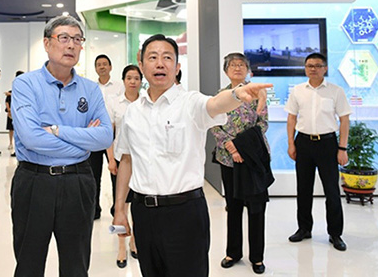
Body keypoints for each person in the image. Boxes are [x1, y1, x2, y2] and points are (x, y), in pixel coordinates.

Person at [113, 34, 271, 277]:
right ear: (142, 65)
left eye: (167, 58)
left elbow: (215, 105)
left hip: (184, 212)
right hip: (143, 213)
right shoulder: (132, 113)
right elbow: (126, 160)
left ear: (177, 67)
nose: (160, 63)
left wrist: (237, 94)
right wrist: (119, 209)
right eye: (152, 57)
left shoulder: (191, 102)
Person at [10, 15, 113, 277]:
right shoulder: (25, 84)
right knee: (29, 263)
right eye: (64, 38)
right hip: (34, 180)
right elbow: (31, 138)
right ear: (47, 43)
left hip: (78, 181)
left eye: (77, 39)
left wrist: (58, 130)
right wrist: (83, 145)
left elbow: (104, 137)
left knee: (76, 264)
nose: (71, 45)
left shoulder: (90, 89)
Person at [210, 53, 271, 274]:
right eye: (233, 65)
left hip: (253, 158)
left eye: (241, 65)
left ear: (247, 69)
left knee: (256, 208)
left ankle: (257, 257)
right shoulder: (219, 96)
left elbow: (262, 124)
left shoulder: (258, 93)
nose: (237, 68)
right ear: (226, 70)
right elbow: (214, 124)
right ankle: (233, 253)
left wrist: (241, 147)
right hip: (229, 159)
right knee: (233, 207)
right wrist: (232, 148)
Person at [286, 52, 351, 252]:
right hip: (304, 143)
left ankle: (335, 234)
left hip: (328, 144)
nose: (313, 69)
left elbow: (344, 120)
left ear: (325, 68)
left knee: (332, 190)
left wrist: (342, 148)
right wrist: (291, 144)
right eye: (309, 66)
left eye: (317, 65)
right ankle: (304, 229)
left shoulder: (336, 91)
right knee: (303, 189)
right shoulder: (298, 91)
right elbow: (291, 119)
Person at [106, 64, 142, 268]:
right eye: (129, 78)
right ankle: (121, 246)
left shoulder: (146, 102)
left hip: (142, 161)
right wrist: (111, 159)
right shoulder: (114, 103)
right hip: (120, 159)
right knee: (120, 205)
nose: (133, 82)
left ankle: (134, 241)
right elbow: (108, 134)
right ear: (123, 81)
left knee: (138, 203)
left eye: (136, 78)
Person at [91, 54, 124, 219]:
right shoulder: (91, 88)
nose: (102, 67)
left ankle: (116, 209)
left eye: (105, 64)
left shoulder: (120, 87)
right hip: (96, 135)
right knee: (93, 174)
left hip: (114, 135)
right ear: (95, 68)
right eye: (99, 64)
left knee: (116, 173)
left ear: (110, 67)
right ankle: (94, 209)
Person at [6, 70, 24, 157]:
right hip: (17, 111)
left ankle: (19, 151)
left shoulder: (22, 86)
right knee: (16, 131)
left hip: (20, 111)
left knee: (19, 131)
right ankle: (17, 150)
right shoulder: (17, 86)